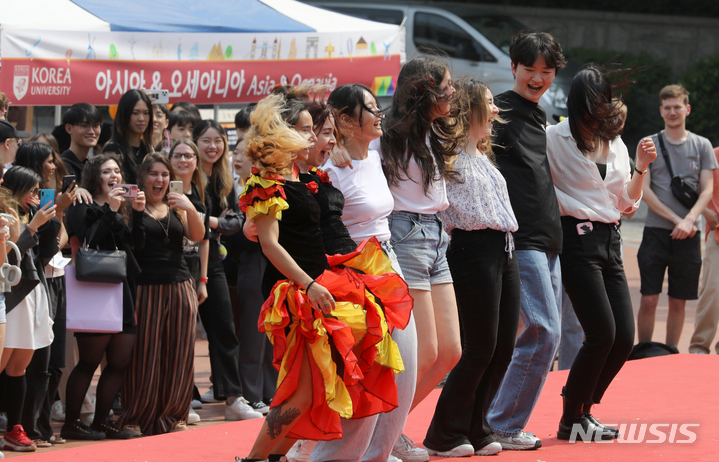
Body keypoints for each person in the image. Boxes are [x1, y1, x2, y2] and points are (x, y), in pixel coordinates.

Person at [236, 90, 410, 462]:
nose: (312, 138)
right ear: (282, 135)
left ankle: (273, 458)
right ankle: (254, 460)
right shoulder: (267, 184)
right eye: (304, 131)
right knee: (301, 393)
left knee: (314, 390)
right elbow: (269, 244)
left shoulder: (305, 178)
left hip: (320, 287)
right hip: (297, 294)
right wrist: (310, 284)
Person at [546, 64, 657, 441]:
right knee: (601, 334)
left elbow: (626, 203)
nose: (599, 109)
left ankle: (582, 410)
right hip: (576, 240)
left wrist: (641, 169)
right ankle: (571, 417)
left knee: (624, 338)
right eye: (592, 102)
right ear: (578, 103)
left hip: (611, 241)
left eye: (603, 101)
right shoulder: (554, 137)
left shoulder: (617, 143)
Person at [310, 84, 418, 462]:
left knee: (406, 369)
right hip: (353, 274)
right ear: (344, 119)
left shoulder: (374, 155)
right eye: (370, 109)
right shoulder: (330, 172)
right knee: (368, 373)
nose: (379, 115)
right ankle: (334, 456)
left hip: (390, 263)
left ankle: (379, 453)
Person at [422, 78, 517, 457]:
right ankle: (445, 433)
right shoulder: (443, 157)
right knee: (478, 348)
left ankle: (478, 427)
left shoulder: (484, 156)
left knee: (503, 348)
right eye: (489, 104)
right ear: (469, 108)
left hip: (505, 249)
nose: (496, 111)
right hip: (471, 250)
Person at [374, 55, 461, 462]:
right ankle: (381, 438)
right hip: (405, 235)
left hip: (436, 235)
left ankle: (386, 433)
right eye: (447, 88)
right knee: (423, 352)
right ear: (425, 92)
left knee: (450, 353)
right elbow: (351, 162)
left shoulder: (431, 131)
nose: (453, 94)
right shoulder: (386, 135)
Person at [486, 31, 567, 451]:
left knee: (535, 335)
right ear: (513, 66)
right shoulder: (495, 111)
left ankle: (494, 420)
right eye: (530, 69)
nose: (537, 78)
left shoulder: (540, 114)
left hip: (549, 239)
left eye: (546, 71)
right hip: (520, 238)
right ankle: (500, 423)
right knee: (543, 331)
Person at [117, 153, 204, 436]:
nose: (160, 180)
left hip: (180, 286)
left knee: (179, 355)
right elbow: (133, 244)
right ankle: (136, 417)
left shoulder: (176, 205)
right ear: (142, 178)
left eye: (164, 175)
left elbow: (198, 236)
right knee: (144, 355)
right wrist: (139, 212)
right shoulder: (131, 207)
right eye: (154, 174)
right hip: (145, 288)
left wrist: (190, 208)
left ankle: (173, 415)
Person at [63, 154, 146, 441]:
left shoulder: (122, 205)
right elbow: (90, 241)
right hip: (94, 288)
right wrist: (110, 209)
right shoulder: (81, 204)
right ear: (93, 176)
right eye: (106, 171)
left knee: (119, 362)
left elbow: (136, 245)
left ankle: (102, 422)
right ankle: (71, 423)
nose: (114, 175)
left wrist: (137, 213)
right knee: (88, 361)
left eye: (117, 170)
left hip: (123, 288)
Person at [636, 84, 717, 351]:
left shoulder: (701, 145)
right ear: (661, 111)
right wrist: (676, 219)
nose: (673, 112)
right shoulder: (649, 144)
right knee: (648, 298)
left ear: (687, 109)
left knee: (678, 300)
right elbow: (645, 191)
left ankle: (671, 352)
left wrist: (690, 220)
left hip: (690, 233)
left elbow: (707, 189)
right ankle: (645, 349)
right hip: (656, 231)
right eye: (667, 108)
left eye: (677, 107)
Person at [192, 120, 262, 420]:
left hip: (217, 263)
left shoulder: (225, 182)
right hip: (185, 262)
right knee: (183, 336)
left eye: (218, 140)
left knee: (224, 330)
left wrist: (211, 222)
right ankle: (183, 395)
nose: (213, 146)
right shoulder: (186, 179)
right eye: (206, 140)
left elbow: (236, 223)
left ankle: (233, 398)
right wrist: (217, 223)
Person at [13, 142, 77, 446]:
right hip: (26, 286)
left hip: (52, 280)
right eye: (49, 161)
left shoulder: (45, 201)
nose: (54, 166)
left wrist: (58, 212)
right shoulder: (17, 212)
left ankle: (39, 427)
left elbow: (60, 241)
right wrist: (40, 220)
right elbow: (17, 251)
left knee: (52, 361)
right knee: (29, 363)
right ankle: (25, 427)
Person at [0, 166, 58, 452]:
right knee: (2, 363)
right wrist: (31, 226)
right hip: (10, 297)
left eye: (38, 191)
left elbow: (50, 251)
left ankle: (15, 427)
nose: (35, 196)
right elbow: (8, 257)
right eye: (32, 191)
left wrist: (48, 221)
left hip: (31, 296)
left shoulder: (27, 216)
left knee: (19, 367)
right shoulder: (7, 216)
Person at [689, 146, 719, 354]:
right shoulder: (713, 154)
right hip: (717, 235)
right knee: (712, 291)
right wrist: (706, 212)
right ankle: (699, 347)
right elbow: (692, 187)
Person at [103, 90, 155, 185]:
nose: (141, 118)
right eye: (135, 113)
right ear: (125, 115)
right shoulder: (113, 149)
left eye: (146, 113)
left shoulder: (149, 149)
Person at [60, 103, 103, 184]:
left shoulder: (94, 166)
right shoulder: (62, 166)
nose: (91, 132)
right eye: (84, 126)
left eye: (96, 125)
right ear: (69, 128)